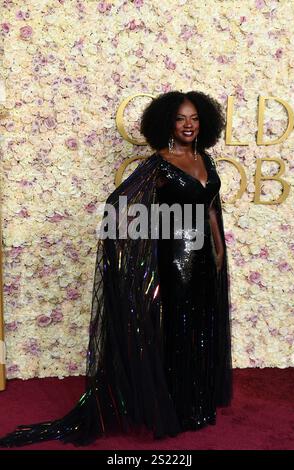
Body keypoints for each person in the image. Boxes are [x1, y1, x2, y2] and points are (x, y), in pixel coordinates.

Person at [0, 90, 232, 447]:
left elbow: (211, 207)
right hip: (174, 262)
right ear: (168, 123)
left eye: (195, 118)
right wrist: (140, 247)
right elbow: (119, 206)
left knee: (200, 327)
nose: (188, 125)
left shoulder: (206, 160)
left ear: (204, 124)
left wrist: (218, 248)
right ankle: (176, 408)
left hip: (205, 259)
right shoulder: (159, 164)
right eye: (181, 119)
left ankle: (198, 402)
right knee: (176, 331)